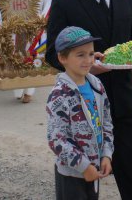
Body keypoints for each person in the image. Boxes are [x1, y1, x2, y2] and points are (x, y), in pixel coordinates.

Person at [46, 0, 132, 199]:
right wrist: (86, 68)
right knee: (82, 179)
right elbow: (52, 53)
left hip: (123, 99)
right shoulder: (64, 3)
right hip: (82, 105)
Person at [46, 26, 114, 200]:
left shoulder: (97, 85)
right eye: (80, 55)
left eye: (91, 54)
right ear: (62, 58)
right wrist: (84, 166)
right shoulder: (59, 95)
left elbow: (106, 122)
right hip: (71, 174)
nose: (88, 60)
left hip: (95, 167)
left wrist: (106, 154)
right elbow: (56, 139)